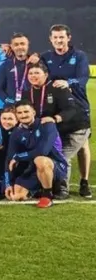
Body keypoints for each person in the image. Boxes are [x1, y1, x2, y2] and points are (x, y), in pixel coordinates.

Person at [21, 62, 87, 199]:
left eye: (37, 73)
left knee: (62, 156)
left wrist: (55, 118)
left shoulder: (57, 88)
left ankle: (63, 189)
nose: (33, 76)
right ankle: (46, 185)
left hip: (74, 129)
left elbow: (72, 109)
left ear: (45, 75)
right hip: (53, 131)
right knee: (47, 156)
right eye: (30, 73)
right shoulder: (27, 92)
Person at [40, 24, 90, 196]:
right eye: (55, 38)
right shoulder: (46, 57)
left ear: (68, 38)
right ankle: (60, 183)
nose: (58, 41)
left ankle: (84, 181)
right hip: (58, 108)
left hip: (79, 106)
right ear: (50, 39)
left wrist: (68, 83)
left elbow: (83, 78)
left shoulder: (79, 56)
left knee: (83, 146)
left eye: (62, 37)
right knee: (61, 142)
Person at [5, 101, 67, 209]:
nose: (23, 115)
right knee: (17, 196)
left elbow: (43, 151)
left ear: (33, 112)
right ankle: (37, 188)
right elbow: (10, 158)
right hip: (32, 168)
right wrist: (8, 183)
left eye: (26, 111)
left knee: (40, 160)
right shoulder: (16, 132)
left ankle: (48, 195)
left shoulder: (47, 125)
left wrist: (18, 157)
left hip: (56, 165)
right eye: (19, 113)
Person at [0, 33, 34, 106]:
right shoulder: (5, 65)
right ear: (12, 46)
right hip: (11, 108)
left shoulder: (35, 63)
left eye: (22, 44)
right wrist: (10, 102)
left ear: (28, 45)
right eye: (16, 44)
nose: (19, 47)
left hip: (31, 107)